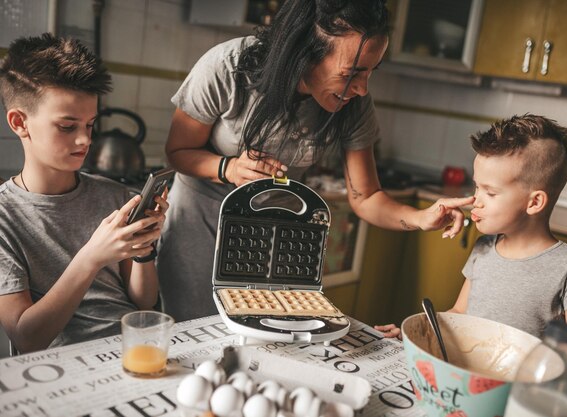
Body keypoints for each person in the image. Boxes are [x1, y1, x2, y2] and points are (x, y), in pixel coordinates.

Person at [158, 0, 474, 322]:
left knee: (267, 343)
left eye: (369, 72)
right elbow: (177, 152)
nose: (362, 89)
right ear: (304, 52)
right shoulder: (228, 67)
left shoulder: (353, 103)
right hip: (200, 227)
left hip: (277, 235)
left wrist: (421, 218)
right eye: (352, 73)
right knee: (196, 336)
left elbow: (366, 197)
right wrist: (228, 168)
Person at [376, 114, 567, 406]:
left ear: (534, 202)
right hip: (471, 390)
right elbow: (459, 312)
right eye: (477, 187)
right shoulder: (484, 248)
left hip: (521, 400)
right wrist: (417, 335)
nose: (475, 200)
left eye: (490, 192)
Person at [0, 34, 169, 353]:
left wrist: (143, 248)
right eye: (67, 127)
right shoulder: (5, 217)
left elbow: (142, 302)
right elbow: (26, 337)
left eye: (90, 125)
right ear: (19, 122)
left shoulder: (115, 195)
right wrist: (92, 256)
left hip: (134, 347)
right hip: (63, 363)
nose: (84, 141)